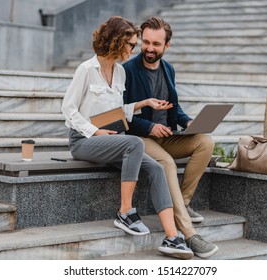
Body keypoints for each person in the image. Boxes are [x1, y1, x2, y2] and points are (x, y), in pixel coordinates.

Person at [61, 16, 193, 259]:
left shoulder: (120, 72)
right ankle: (125, 212)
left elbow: (117, 112)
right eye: (132, 44)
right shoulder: (86, 70)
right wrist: (95, 131)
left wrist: (145, 103)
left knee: (155, 168)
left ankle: (173, 237)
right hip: (84, 141)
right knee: (134, 142)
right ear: (117, 42)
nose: (135, 50)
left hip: (110, 140)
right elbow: (68, 110)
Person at [123, 16, 219, 258]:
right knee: (165, 161)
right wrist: (149, 127)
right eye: (146, 42)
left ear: (167, 45)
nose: (149, 49)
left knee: (205, 143)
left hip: (167, 136)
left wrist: (188, 122)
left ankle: (183, 202)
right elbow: (120, 115)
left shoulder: (168, 69)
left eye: (156, 44)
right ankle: (187, 233)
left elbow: (174, 108)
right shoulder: (127, 70)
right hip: (139, 138)